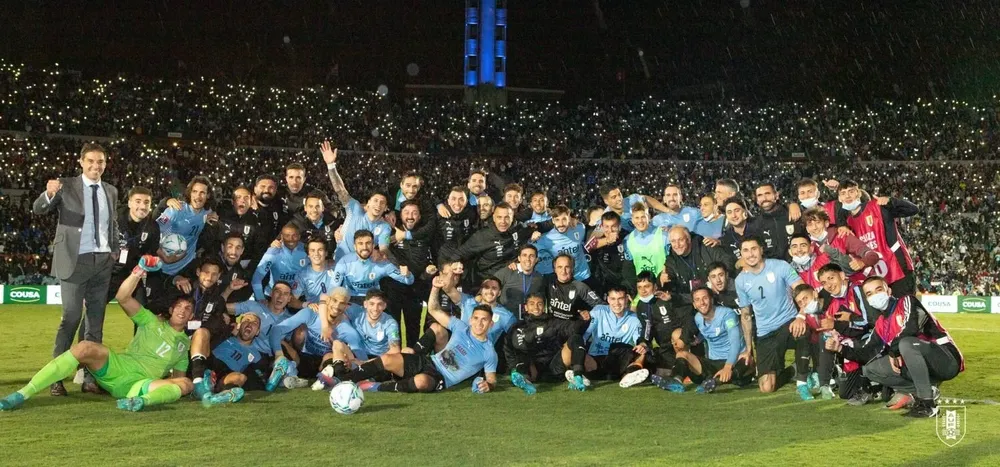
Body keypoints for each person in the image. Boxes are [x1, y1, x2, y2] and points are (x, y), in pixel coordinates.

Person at [2, 256, 194, 412]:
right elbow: (122, 297)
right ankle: (22, 394)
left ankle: (140, 402)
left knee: (185, 384)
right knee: (85, 347)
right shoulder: (151, 321)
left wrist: (176, 383)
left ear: (191, 316)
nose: (182, 311)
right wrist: (139, 271)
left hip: (140, 385)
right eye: (179, 306)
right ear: (171, 309)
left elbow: (176, 380)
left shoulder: (184, 345)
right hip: (118, 368)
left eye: (188, 309)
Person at [31, 143, 119, 396]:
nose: (95, 166)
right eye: (90, 161)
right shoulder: (65, 185)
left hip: (102, 262)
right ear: (81, 162)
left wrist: (113, 250)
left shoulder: (111, 190)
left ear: (106, 163)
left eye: (100, 161)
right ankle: (56, 377)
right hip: (74, 260)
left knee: (95, 323)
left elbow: (111, 223)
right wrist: (48, 194)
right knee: (71, 317)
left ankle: (90, 378)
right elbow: (39, 209)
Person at [824, 276, 965, 417]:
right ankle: (924, 390)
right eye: (869, 294)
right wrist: (840, 348)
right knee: (870, 369)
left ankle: (928, 406)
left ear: (889, 291)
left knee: (906, 344)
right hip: (923, 366)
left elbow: (911, 328)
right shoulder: (881, 323)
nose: (875, 296)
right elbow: (865, 353)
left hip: (946, 359)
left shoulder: (907, 301)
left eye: (878, 290)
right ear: (867, 300)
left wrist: (893, 351)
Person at [337, 275, 499, 393]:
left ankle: (376, 387)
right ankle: (342, 381)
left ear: (490, 324)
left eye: (484, 320)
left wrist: (488, 385)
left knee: (421, 381)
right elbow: (433, 309)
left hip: (442, 377)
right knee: (387, 359)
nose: (479, 323)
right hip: (429, 361)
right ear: (470, 320)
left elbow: (491, 379)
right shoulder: (460, 327)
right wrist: (435, 288)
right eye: (476, 318)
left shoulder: (489, 351)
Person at [735, 237, 815, 400]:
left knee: (803, 331)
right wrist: (749, 349)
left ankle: (802, 383)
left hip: (788, 322)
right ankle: (794, 370)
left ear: (761, 249)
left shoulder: (780, 266)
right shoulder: (740, 281)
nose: (750, 254)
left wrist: (801, 316)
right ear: (741, 254)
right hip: (765, 333)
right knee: (767, 387)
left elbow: (804, 291)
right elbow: (746, 315)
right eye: (746, 250)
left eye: (754, 249)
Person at [652, 287, 754, 393]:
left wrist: (728, 366)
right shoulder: (698, 318)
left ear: (712, 300)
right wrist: (697, 339)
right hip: (714, 362)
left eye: (705, 298)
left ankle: (715, 382)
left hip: (735, 361)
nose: (702, 303)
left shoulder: (727, 314)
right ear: (694, 305)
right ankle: (676, 381)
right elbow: (706, 332)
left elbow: (735, 342)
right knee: (682, 354)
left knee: (747, 360)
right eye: (697, 300)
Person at [838, 180, 919, 297]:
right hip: (876, 278)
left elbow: (913, 209)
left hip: (898, 270)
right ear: (840, 199)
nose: (847, 196)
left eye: (851, 191)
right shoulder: (847, 225)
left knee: (906, 307)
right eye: (843, 193)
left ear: (859, 193)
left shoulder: (878, 206)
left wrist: (891, 201)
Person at [321, 141, 392, 261]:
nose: (378, 205)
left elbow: (384, 248)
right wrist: (331, 166)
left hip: (363, 268)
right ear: (368, 203)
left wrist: (381, 254)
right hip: (340, 263)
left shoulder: (385, 227)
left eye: (382, 202)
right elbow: (340, 190)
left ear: (386, 208)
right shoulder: (354, 208)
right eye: (375, 200)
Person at [503, 293, 583, 395]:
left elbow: (572, 328)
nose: (536, 307)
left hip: (555, 366)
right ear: (526, 307)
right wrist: (513, 368)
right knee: (521, 350)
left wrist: (582, 320)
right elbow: (508, 348)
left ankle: (578, 376)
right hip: (533, 369)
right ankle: (524, 380)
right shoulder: (518, 327)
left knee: (576, 338)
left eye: (539, 304)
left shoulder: (554, 322)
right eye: (532, 304)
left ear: (544, 307)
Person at [580, 286, 650, 388]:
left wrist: (642, 345)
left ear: (627, 299)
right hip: (596, 359)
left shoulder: (634, 319)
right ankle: (579, 374)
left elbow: (638, 340)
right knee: (576, 343)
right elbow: (584, 336)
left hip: (618, 360)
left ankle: (629, 375)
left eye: (620, 299)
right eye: (613, 299)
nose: (616, 303)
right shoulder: (599, 311)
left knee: (640, 350)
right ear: (608, 299)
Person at [632, 271, 696, 379]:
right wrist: (643, 342)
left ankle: (688, 370)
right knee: (643, 352)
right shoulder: (641, 306)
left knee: (677, 334)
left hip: (681, 343)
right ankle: (633, 372)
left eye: (647, 286)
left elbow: (688, 319)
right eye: (639, 287)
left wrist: (684, 338)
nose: (643, 291)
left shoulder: (667, 298)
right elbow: (646, 328)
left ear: (655, 286)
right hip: (664, 348)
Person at [156, 176, 215, 277]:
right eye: (195, 191)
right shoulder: (175, 210)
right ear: (190, 193)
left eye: (202, 192)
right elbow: (154, 232)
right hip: (163, 266)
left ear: (208, 195)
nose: (198, 196)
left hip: (187, 266)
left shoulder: (208, 213)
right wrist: (163, 256)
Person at [332, 229, 414, 302]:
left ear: (373, 245)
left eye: (368, 243)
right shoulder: (344, 262)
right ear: (355, 246)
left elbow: (408, 281)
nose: (364, 247)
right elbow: (333, 287)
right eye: (360, 243)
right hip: (351, 299)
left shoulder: (382, 263)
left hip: (373, 300)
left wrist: (408, 275)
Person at [201, 313, 266, 403]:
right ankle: (204, 381)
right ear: (238, 325)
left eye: (255, 323)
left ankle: (222, 396)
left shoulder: (257, 355)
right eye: (247, 320)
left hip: (226, 375)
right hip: (211, 362)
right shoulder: (225, 335)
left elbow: (261, 376)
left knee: (240, 377)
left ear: (257, 332)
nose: (250, 324)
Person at [251, 223, 308, 300]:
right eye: (287, 235)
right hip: (274, 294)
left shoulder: (307, 250)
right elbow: (257, 278)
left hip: (298, 295)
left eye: (294, 235)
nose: (291, 239)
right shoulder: (273, 252)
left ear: (299, 236)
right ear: (281, 237)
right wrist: (260, 298)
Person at [533, 205, 590, 281]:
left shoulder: (580, 228)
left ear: (569, 218)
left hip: (583, 276)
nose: (561, 224)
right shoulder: (545, 238)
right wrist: (533, 233)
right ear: (553, 221)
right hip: (564, 278)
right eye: (557, 220)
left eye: (564, 219)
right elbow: (530, 249)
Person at [753, 183, 804, 261]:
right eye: (760, 195)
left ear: (776, 195)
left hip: (799, 263)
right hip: (773, 266)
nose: (764, 198)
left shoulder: (793, 213)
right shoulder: (756, 224)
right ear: (757, 200)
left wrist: (793, 204)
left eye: (767, 193)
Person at [493, 244, 546, 317]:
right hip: (506, 318)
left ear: (536, 259)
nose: (528, 259)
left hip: (528, 318)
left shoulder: (539, 278)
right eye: (524, 255)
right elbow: (488, 288)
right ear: (519, 258)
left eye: (531, 256)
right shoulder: (507, 272)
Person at [584, 211, 628, 297]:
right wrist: (607, 240)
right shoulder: (598, 237)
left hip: (623, 283)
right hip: (604, 284)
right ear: (601, 227)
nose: (610, 230)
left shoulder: (626, 237)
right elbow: (587, 248)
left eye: (613, 226)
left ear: (619, 226)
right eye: (606, 227)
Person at [289, 238, 338, 307]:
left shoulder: (337, 267)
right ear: (308, 254)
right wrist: (308, 305)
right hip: (315, 311)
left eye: (320, 250)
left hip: (336, 309)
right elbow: (291, 301)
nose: (316, 254)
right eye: (312, 250)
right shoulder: (302, 275)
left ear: (326, 253)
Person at [290, 191, 340, 257]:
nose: (314, 210)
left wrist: (340, 234)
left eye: (317, 206)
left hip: (328, 261)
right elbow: (281, 242)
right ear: (305, 208)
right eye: (311, 206)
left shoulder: (334, 224)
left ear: (322, 208)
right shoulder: (295, 224)